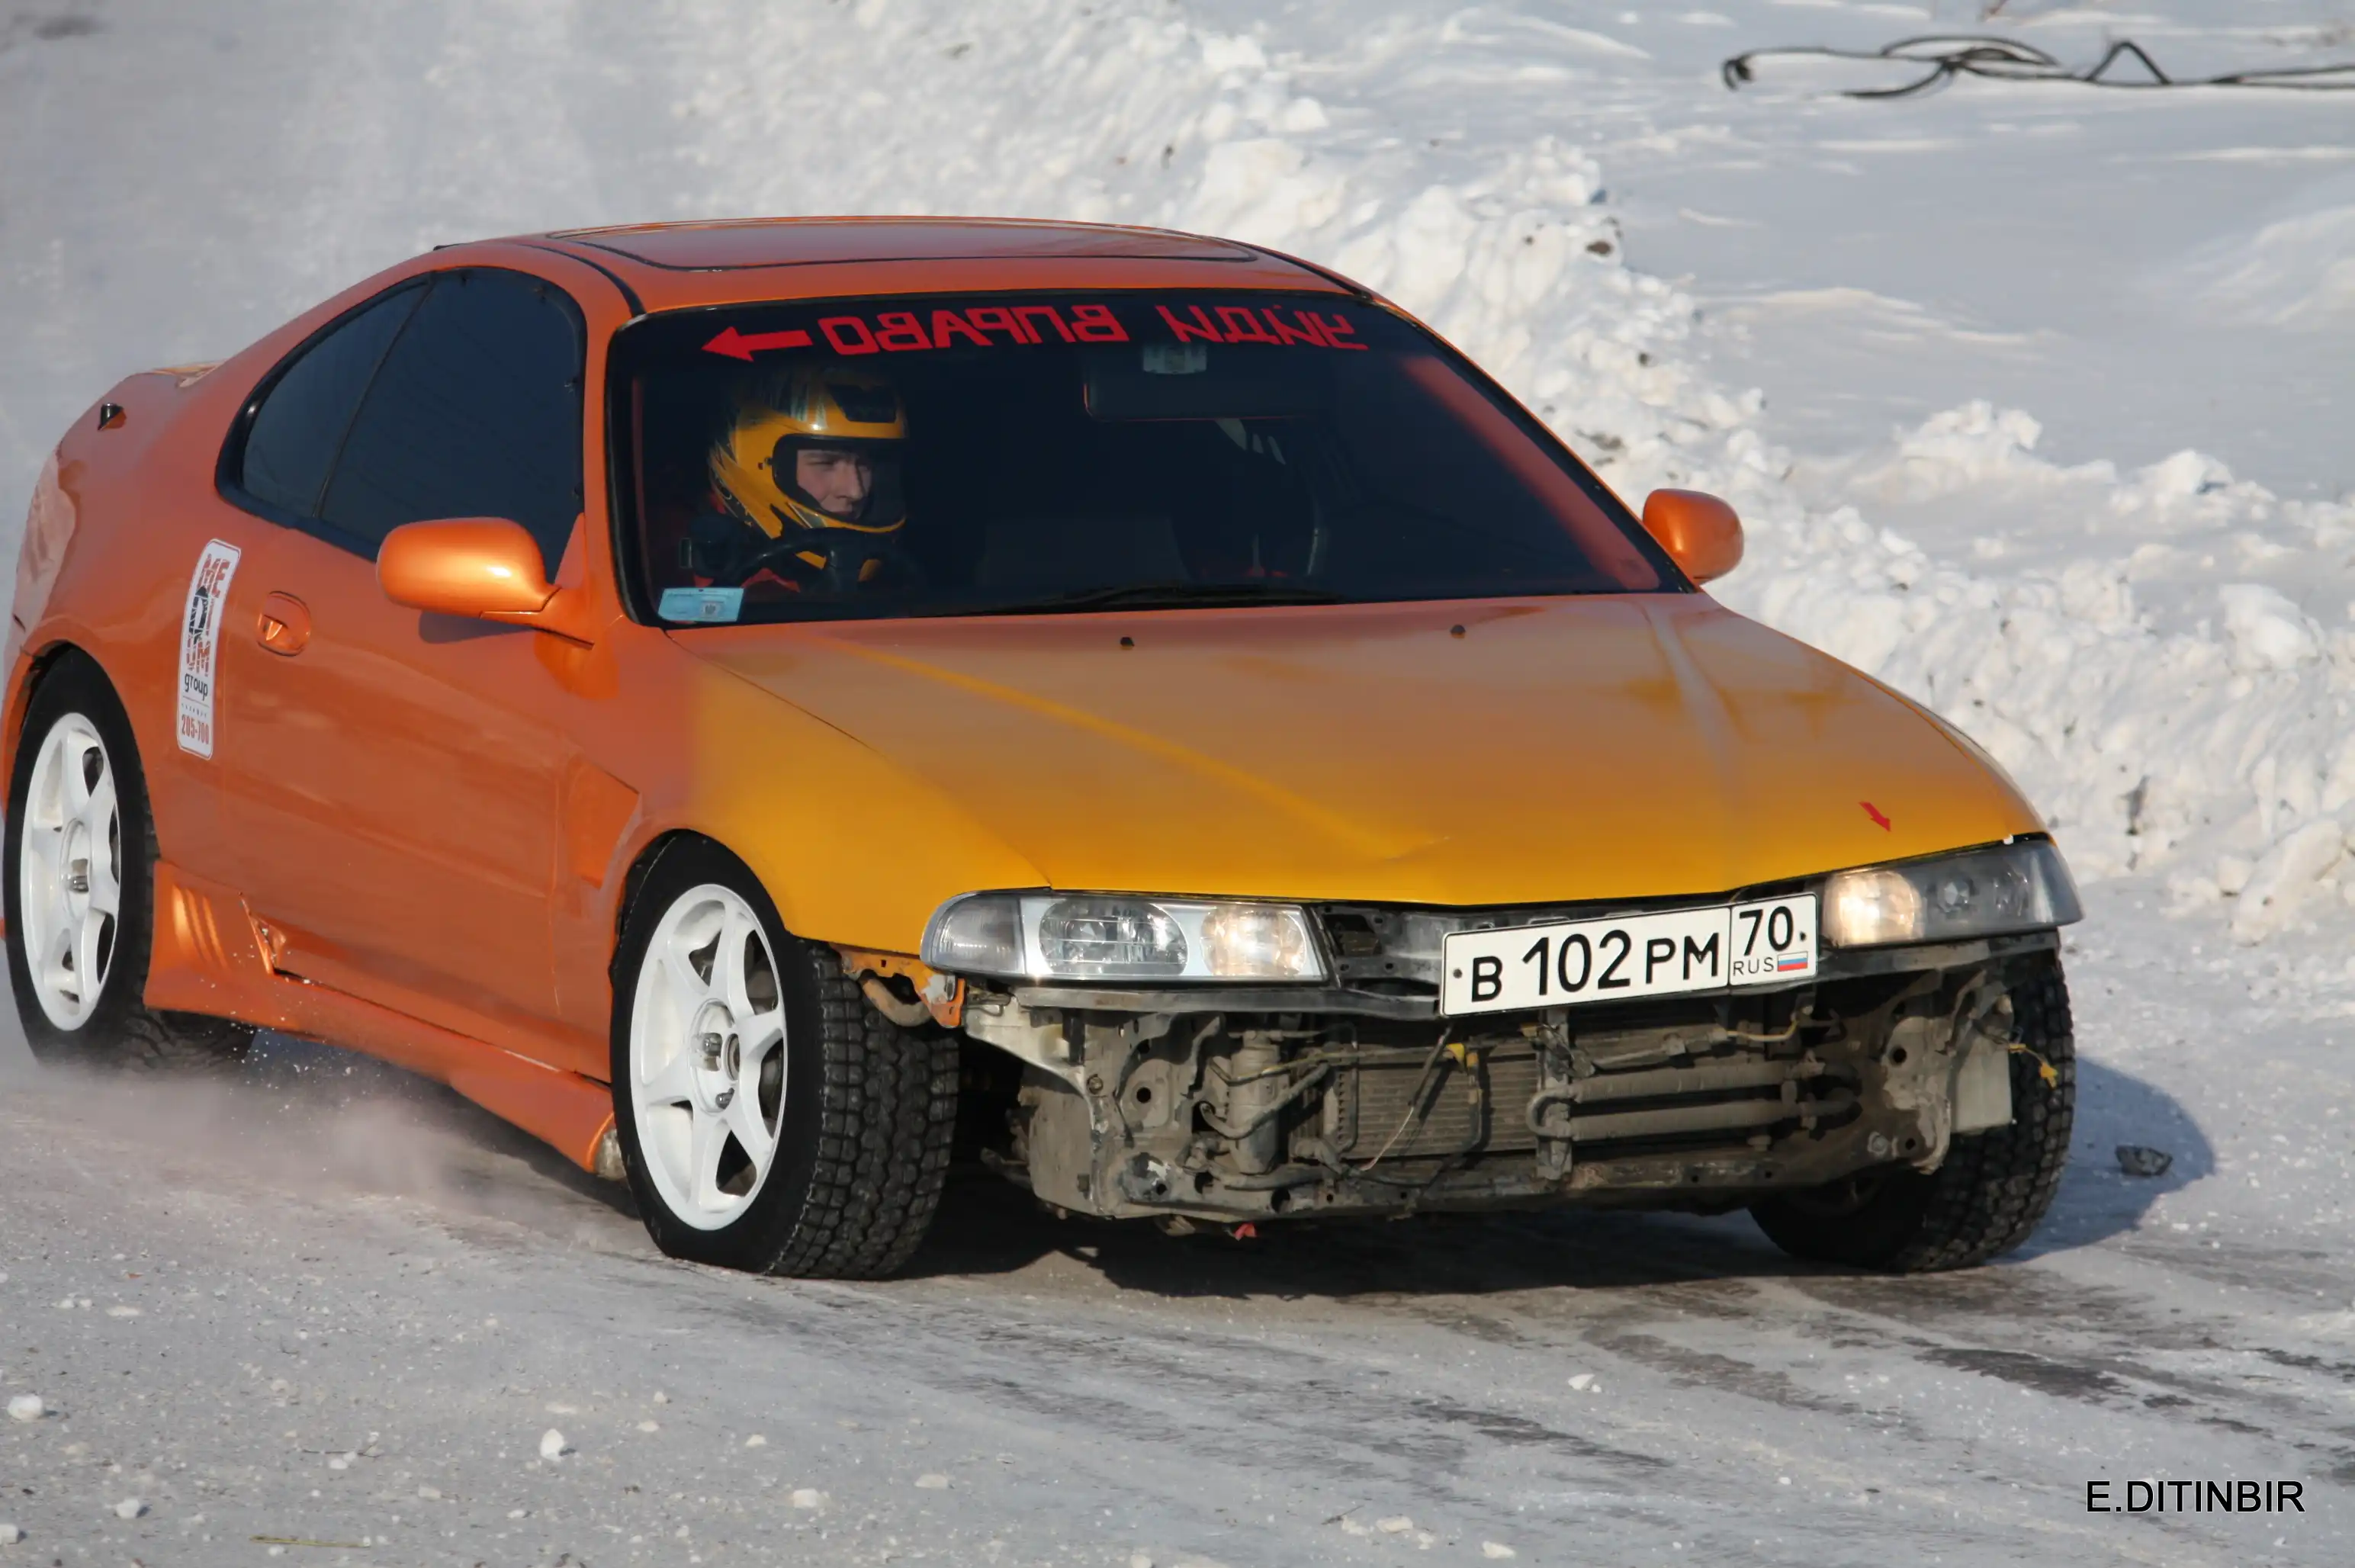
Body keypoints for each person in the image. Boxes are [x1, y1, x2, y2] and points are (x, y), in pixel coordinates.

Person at [683, 362, 916, 594]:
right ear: (754, 463)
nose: (856, 491)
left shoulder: (899, 579)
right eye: (826, 463)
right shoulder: (669, 558)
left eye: (865, 464)